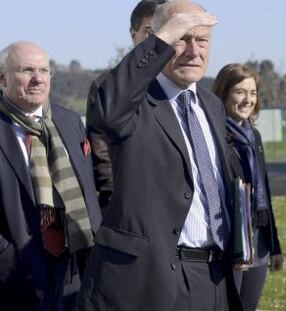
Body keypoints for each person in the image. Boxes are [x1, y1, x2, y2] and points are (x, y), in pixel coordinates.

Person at [76, 1, 242, 310]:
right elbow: (107, 113)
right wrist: (163, 40)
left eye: (202, 40)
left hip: (215, 275)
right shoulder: (133, 100)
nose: (193, 50)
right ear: (159, 38)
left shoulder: (211, 105)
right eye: (182, 38)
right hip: (151, 279)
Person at [0, 41, 102, 310]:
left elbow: (88, 187)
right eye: (26, 70)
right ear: (2, 77)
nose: (37, 78)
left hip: (75, 266)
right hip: (14, 273)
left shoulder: (69, 121)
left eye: (44, 71)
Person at [211, 63, 283, 310]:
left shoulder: (254, 137)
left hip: (258, 241)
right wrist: (232, 247)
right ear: (224, 93)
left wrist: (274, 247)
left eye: (253, 93)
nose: (248, 99)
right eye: (240, 92)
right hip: (230, 244)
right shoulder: (214, 135)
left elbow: (265, 192)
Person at [87, 0, 166, 212]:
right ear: (133, 34)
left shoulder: (180, 85)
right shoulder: (108, 84)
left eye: (164, 32)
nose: (157, 40)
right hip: (126, 203)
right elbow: (100, 148)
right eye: (149, 32)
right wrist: (115, 195)